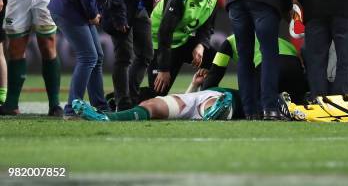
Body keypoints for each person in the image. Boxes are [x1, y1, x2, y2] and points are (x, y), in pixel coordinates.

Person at [48, 0, 144, 116]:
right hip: (68, 10)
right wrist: (93, 14)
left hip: (76, 9)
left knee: (97, 56)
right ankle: (71, 108)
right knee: (88, 56)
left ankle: (100, 106)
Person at [148, 0, 222, 96]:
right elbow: (165, 32)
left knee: (215, 57)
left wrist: (200, 45)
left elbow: (207, 26)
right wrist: (163, 69)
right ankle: (121, 101)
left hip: (181, 41)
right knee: (156, 96)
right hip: (159, 44)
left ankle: (203, 99)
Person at [72, 70, 240, 121]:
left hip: (227, 99)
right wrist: (194, 84)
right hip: (195, 97)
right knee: (151, 104)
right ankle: (107, 118)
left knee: (218, 101)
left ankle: (216, 111)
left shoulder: (257, 98)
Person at [200, 34, 308, 104]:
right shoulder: (280, 40)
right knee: (297, 102)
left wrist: (202, 93)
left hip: (269, 67)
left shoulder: (230, 41)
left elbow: (214, 74)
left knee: (250, 102)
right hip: (295, 71)